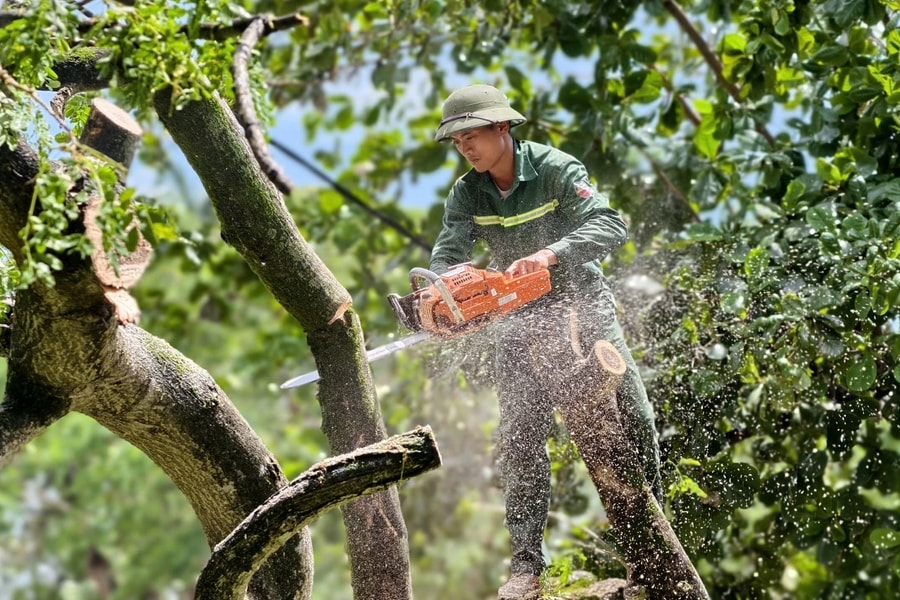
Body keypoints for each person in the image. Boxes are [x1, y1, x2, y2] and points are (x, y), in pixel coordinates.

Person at [429, 84, 663, 600]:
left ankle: (654, 544)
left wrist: (551, 254)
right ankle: (526, 566)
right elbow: (448, 255)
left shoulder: (556, 168)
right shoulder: (467, 193)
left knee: (636, 415)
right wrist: (446, 292)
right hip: (516, 317)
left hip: (583, 305)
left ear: (502, 127)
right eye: (457, 140)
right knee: (519, 433)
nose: (466, 147)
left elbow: (611, 224)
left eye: (473, 135)